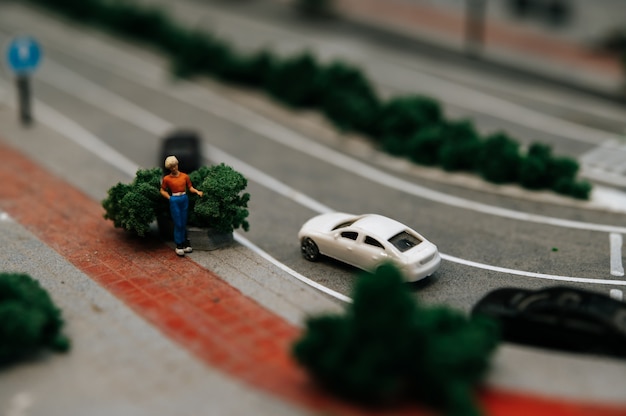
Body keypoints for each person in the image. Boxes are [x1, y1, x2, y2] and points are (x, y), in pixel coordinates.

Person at [160, 156, 203, 256]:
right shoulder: (167, 179)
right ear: (169, 168)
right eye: (171, 167)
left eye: (174, 166)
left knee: (184, 222)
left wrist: (197, 192)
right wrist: (169, 198)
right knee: (178, 223)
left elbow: (190, 187)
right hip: (175, 200)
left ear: (177, 165)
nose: (173, 168)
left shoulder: (184, 176)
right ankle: (179, 244)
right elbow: (162, 190)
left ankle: (185, 242)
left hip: (184, 198)